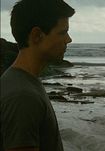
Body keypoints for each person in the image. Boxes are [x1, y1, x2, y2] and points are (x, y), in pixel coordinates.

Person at [0, 0, 75, 150]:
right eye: (62, 32)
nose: (69, 39)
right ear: (37, 35)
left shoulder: (21, 82)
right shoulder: (23, 96)